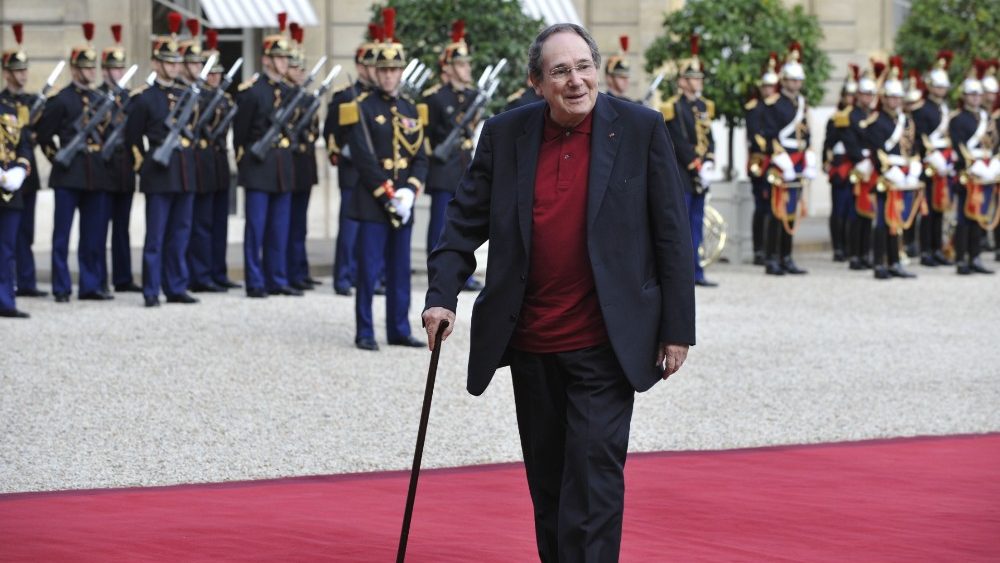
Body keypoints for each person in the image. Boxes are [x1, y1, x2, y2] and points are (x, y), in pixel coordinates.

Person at [422, 23, 695, 561]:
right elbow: (462, 223)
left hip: (605, 344)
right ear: (536, 83)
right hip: (531, 344)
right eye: (561, 71)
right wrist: (441, 295)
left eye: (584, 67)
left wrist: (677, 330)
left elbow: (671, 232)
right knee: (549, 492)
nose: (577, 81)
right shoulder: (506, 135)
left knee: (591, 494)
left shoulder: (639, 128)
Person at [341, 7, 427, 351]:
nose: (389, 76)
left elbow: (421, 157)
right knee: (369, 270)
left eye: (395, 70)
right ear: (375, 73)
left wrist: (409, 192)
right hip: (374, 202)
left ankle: (399, 328)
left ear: (401, 72)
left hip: (402, 203)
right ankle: (365, 330)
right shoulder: (359, 107)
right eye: (384, 70)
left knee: (400, 270)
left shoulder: (410, 108)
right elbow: (362, 158)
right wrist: (386, 193)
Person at [124, 12, 199, 307]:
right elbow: (131, 139)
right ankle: (152, 289)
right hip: (159, 171)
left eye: (176, 62)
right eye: (168, 62)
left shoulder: (186, 95)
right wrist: (143, 163)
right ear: (156, 63)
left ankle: (176, 286)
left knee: (180, 234)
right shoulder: (144, 98)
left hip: (183, 171)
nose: (173, 67)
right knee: (155, 237)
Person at [36, 22, 115, 302]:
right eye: (86, 68)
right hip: (69, 175)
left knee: (93, 237)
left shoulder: (100, 99)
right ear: (74, 68)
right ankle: (61, 287)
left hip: (96, 173)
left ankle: (90, 285)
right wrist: (57, 158)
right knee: (62, 236)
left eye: (93, 67)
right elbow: (43, 136)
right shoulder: (61, 101)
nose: (91, 72)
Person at [233, 12, 300, 298]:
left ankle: (277, 278)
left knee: (279, 229)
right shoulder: (251, 92)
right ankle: (255, 281)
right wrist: (246, 161)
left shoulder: (289, 91)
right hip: (258, 167)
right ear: (267, 59)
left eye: (287, 58)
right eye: (280, 58)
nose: (285, 62)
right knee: (256, 229)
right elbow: (240, 134)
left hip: (282, 166)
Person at [423, 20, 483, 292]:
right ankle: (436, 277)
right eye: (461, 64)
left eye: (467, 63)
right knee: (439, 227)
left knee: (465, 225)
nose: (467, 68)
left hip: (463, 167)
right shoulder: (434, 98)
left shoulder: (472, 96)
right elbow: (424, 137)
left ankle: (463, 275)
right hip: (442, 168)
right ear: (447, 68)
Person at [326, 26, 380, 297]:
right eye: (369, 65)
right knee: (349, 228)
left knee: (373, 228)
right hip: (352, 171)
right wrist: (339, 152)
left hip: (375, 173)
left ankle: (369, 276)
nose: (374, 71)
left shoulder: (380, 99)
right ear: (360, 66)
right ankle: (343, 277)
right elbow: (332, 133)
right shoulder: (345, 96)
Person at [660, 34, 718, 286]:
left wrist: (710, 162)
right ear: (682, 82)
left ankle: (697, 271)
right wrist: (696, 165)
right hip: (683, 173)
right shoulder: (672, 106)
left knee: (697, 222)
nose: (697, 83)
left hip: (701, 172)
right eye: (692, 78)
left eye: (699, 78)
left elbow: (709, 136)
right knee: (681, 226)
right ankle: (681, 273)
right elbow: (677, 141)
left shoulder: (705, 106)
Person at [861, 57, 920, 279]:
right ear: (884, 99)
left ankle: (895, 261)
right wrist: (889, 171)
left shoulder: (906, 121)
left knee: (898, 221)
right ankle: (879, 263)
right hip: (886, 177)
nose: (895, 101)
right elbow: (876, 151)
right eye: (891, 97)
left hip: (903, 175)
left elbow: (912, 147)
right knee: (883, 221)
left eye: (898, 97)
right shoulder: (876, 121)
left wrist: (914, 166)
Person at [761, 41, 816, 276]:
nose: (796, 84)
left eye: (798, 81)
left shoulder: (802, 104)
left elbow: (806, 132)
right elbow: (768, 134)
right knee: (776, 212)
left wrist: (809, 155)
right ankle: (771, 257)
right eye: (792, 80)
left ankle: (786, 256)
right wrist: (779, 158)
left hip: (798, 159)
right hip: (781, 160)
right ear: (783, 81)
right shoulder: (774, 104)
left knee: (792, 212)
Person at [1, 23, 46, 299]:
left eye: (25, 70)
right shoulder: (5, 103)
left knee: (25, 231)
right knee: (8, 237)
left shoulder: (33, 102)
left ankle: (26, 281)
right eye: (17, 70)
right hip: (7, 173)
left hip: (25, 173)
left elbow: (35, 136)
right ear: (7, 74)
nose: (23, 75)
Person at [98, 23, 142, 293]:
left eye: (121, 68)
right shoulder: (97, 97)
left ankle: (123, 278)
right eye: (114, 68)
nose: (119, 73)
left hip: (124, 168)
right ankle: (99, 279)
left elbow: (136, 135)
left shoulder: (130, 99)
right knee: (99, 229)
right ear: (105, 71)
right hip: (102, 169)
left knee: (123, 229)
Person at [200, 29, 241, 290]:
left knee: (219, 223)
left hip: (218, 162)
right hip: (201, 161)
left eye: (218, 72)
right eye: (211, 72)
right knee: (201, 224)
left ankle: (218, 270)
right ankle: (201, 273)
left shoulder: (224, 99)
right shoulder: (197, 97)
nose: (215, 77)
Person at [949, 63, 998, 275]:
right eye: (972, 95)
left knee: (979, 216)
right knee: (963, 218)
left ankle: (976, 256)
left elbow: (994, 143)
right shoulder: (957, 119)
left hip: (985, 172)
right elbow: (957, 146)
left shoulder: (987, 118)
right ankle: (962, 259)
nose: (976, 98)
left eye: (978, 95)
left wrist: (993, 162)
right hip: (967, 173)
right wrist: (972, 165)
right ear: (965, 96)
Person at [286, 23, 322, 291]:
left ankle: (300, 269)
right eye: (296, 68)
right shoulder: (286, 98)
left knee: (300, 225)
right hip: (287, 166)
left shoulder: (307, 99)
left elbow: (314, 132)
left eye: (302, 68)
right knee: (286, 226)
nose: (301, 73)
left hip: (304, 166)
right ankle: (287, 272)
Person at [912, 50, 954, 267]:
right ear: (929, 87)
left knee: (941, 209)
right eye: (938, 86)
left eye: (944, 87)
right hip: (929, 163)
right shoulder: (921, 109)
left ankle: (937, 248)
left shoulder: (945, 109)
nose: (941, 90)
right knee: (927, 209)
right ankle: (926, 250)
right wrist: (931, 157)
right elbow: (919, 137)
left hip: (944, 162)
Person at [0, 52, 34, 318]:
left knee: (7, 248)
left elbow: (23, 143)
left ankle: (5, 301)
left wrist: (21, 169)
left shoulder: (13, 110)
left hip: (10, 190)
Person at [745, 52, 779, 266]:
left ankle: (770, 248)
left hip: (775, 161)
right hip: (760, 161)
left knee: (774, 207)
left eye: (772, 87)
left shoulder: (776, 107)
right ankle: (759, 249)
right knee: (762, 207)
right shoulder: (754, 108)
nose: (769, 90)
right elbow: (755, 135)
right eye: (766, 86)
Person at [823, 64, 858, 262]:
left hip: (857, 165)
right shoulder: (835, 118)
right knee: (839, 210)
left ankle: (853, 247)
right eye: (848, 96)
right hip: (841, 165)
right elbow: (828, 143)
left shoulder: (861, 117)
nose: (851, 100)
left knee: (855, 210)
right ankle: (838, 247)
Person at [603, 35, 633, 102]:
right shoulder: (604, 102)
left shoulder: (629, 102)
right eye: (621, 77)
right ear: (609, 78)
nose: (626, 80)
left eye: (627, 76)